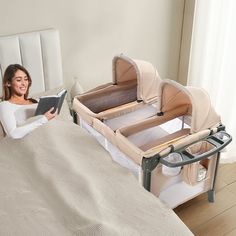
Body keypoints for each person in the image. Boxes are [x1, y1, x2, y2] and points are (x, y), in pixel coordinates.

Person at [0, 64, 57, 139]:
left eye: (26, 79)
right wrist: (44, 119)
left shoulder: (37, 101)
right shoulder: (5, 105)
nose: (24, 83)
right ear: (8, 83)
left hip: (51, 135)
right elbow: (13, 134)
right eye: (19, 80)